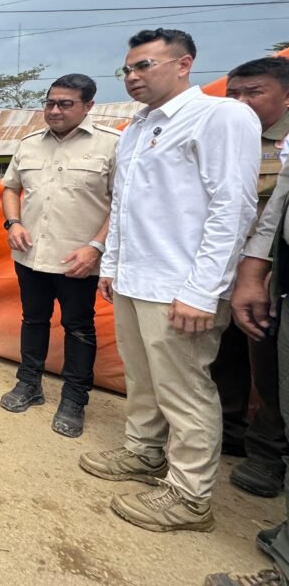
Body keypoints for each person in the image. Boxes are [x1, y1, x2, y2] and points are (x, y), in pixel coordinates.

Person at [79, 28, 259, 534]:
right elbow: (127, 205)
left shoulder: (221, 116)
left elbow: (233, 207)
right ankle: (143, 452)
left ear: (184, 64)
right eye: (129, 68)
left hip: (182, 286)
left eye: (145, 66)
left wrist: (202, 290)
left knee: (186, 390)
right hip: (137, 278)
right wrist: (111, 265)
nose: (134, 76)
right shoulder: (136, 128)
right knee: (144, 379)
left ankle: (189, 495)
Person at [0, 74, 119, 439]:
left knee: (78, 328)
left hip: (78, 260)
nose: (54, 110)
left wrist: (95, 246)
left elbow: (122, 204)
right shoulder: (30, 143)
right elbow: (11, 189)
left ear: (88, 106)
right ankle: (29, 384)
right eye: (50, 102)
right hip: (30, 253)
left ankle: (73, 400)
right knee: (33, 320)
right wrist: (13, 222)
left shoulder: (112, 146)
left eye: (65, 103)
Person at [209, 134, 289, 584]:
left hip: (256, 272)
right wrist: (257, 269)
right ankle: (251, 444)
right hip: (254, 274)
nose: (241, 102)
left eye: (252, 92)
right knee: (249, 364)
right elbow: (276, 209)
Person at [211, 57, 289, 496]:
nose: (239, 103)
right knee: (224, 354)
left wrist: (257, 273)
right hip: (224, 266)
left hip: (272, 273)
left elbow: (272, 216)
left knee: (272, 366)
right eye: (233, 94)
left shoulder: (283, 145)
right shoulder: (222, 137)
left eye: (252, 93)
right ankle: (234, 432)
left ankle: (268, 453)